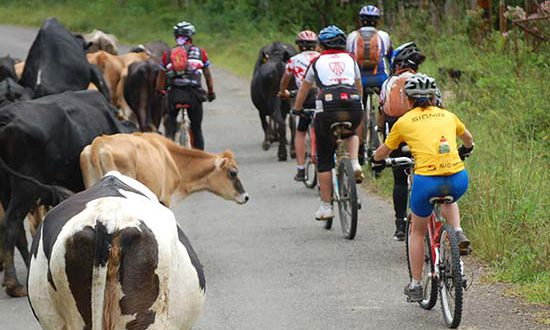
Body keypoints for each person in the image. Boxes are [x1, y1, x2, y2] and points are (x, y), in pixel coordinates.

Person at [371, 74, 474, 302]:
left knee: (416, 231)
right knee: (449, 197)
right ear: (434, 97)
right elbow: (469, 140)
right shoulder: (448, 115)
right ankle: (457, 232)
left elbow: (383, 151)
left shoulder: (405, 121)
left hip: (426, 182)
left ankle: (416, 284)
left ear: (409, 100)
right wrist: (466, 150)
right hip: (458, 178)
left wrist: (375, 159)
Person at [293, 25, 364, 220]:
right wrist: (360, 106)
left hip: (328, 107)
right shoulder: (351, 59)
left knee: (324, 159)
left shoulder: (316, 61)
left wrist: (296, 109)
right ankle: (355, 162)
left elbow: (303, 90)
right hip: (352, 102)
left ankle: (326, 207)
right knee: (351, 132)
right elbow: (359, 87)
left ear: (321, 45)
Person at [378, 42, 427, 241]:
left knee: (399, 180)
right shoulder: (425, 81)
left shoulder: (388, 82)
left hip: (397, 137)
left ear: (396, 65)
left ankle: (400, 225)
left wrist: (381, 133)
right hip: (423, 137)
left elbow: (382, 112)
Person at [157, 21, 215, 150]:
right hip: (194, 95)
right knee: (196, 128)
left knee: (170, 121)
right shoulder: (201, 52)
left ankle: (170, 148)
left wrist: (160, 91)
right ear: (191, 36)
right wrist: (211, 92)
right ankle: (200, 158)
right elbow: (208, 76)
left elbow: (161, 77)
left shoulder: (168, 54)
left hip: (174, 95)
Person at [346, 4, 392, 163]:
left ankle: (359, 151)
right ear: (377, 21)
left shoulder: (352, 36)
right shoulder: (384, 36)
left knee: (360, 112)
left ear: (361, 20)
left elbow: (349, 58)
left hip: (360, 80)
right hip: (380, 78)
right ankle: (386, 137)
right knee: (386, 108)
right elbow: (390, 59)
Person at [279, 30, 320, 181]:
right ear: (315, 46)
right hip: (322, 96)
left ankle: (301, 169)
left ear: (299, 46)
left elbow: (285, 80)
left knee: (301, 131)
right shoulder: (321, 57)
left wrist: (283, 92)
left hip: (305, 97)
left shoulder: (294, 60)